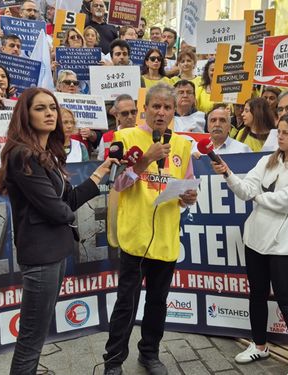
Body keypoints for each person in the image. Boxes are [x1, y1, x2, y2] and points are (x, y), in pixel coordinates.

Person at [0, 88, 116, 375]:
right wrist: (64, 211)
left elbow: (69, 200)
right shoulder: (23, 155)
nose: (50, 113)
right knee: (31, 339)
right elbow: (57, 209)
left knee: (36, 333)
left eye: (52, 107)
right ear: (26, 114)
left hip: (56, 251)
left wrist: (101, 172)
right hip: (40, 256)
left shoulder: (46, 153)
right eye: (40, 108)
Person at [210, 112, 288, 375]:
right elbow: (245, 190)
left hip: (285, 245)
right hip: (255, 240)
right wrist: (227, 174)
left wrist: (257, 196)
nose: (280, 137)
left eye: (286, 133)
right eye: (279, 131)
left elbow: (285, 201)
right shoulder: (266, 161)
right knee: (257, 295)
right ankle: (259, 345)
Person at [103, 83, 198, 375]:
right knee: (126, 304)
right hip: (134, 237)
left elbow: (186, 187)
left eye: (167, 107)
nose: (161, 112)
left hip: (167, 240)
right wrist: (145, 159)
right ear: (145, 109)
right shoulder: (125, 137)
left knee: (157, 303)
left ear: (173, 111)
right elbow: (117, 184)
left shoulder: (182, 145)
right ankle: (114, 361)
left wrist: (188, 197)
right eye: (155, 106)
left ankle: (150, 354)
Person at [97, 94, 138, 160]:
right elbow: (100, 164)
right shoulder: (106, 138)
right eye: (125, 113)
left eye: (133, 112)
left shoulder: (144, 133)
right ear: (116, 115)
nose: (130, 116)